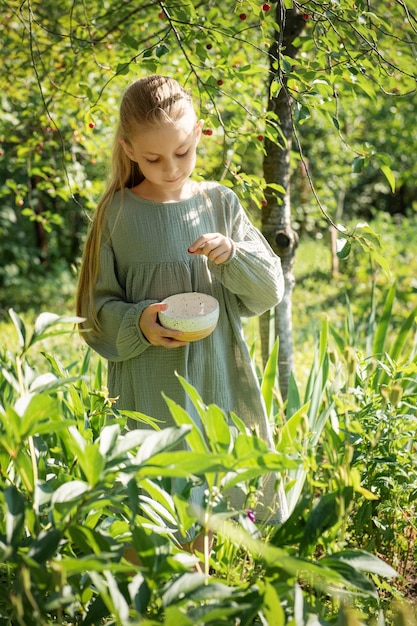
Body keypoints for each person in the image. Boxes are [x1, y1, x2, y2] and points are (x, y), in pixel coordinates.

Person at [76, 75, 288, 546]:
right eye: (153, 158)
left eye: (182, 152)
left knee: (205, 499)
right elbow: (92, 311)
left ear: (199, 135)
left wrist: (232, 253)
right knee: (149, 506)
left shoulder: (220, 203)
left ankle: (199, 599)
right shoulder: (116, 213)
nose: (171, 168)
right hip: (148, 385)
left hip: (215, 376)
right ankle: (140, 607)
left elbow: (269, 290)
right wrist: (140, 323)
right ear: (129, 149)